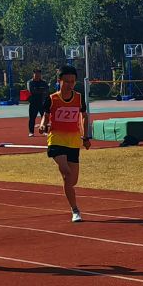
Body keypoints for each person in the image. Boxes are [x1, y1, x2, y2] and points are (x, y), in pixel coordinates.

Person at [41, 64, 90, 222]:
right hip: (56, 139)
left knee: (72, 180)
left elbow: (84, 116)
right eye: (66, 81)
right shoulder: (52, 99)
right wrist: (43, 125)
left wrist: (86, 136)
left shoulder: (79, 98)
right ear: (59, 81)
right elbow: (45, 116)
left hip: (73, 140)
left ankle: (72, 203)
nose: (70, 84)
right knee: (66, 173)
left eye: (73, 81)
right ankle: (75, 210)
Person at [26, 68, 51, 135]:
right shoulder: (30, 82)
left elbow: (47, 91)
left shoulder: (44, 82)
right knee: (32, 118)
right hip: (33, 103)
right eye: (35, 73)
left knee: (45, 116)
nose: (37, 75)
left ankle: (45, 131)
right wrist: (41, 91)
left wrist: (40, 91)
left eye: (39, 74)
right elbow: (32, 91)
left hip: (42, 102)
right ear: (33, 74)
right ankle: (31, 132)